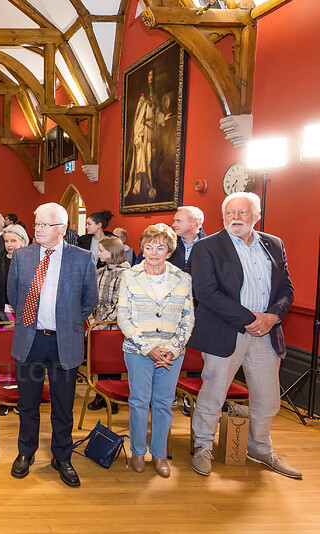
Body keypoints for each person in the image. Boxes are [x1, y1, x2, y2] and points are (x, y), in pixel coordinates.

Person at [189, 192, 301, 479]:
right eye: (230, 213)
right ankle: (202, 447)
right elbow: (205, 293)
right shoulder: (207, 247)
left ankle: (259, 447)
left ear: (257, 215)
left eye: (243, 213)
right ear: (222, 216)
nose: (236, 218)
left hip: (266, 333)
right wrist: (250, 319)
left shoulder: (273, 244)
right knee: (213, 394)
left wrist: (273, 316)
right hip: (226, 332)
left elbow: (286, 288)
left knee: (267, 398)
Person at [8, 202, 97, 487]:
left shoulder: (82, 258)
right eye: (36, 224)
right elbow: (13, 295)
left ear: (62, 229)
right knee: (28, 403)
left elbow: (89, 300)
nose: (37, 230)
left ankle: (63, 456)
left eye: (44, 225)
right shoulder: (22, 256)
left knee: (63, 405)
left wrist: (69, 323)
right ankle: (26, 453)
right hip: (30, 341)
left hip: (64, 343)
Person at [116, 224, 193, 478]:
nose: (153, 253)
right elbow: (123, 317)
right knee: (139, 402)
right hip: (138, 350)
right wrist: (148, 348)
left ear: (169, 251)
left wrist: (173, 348)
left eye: (160, 247)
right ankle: (138, 451)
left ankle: (159, 454)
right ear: (143, 249)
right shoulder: (130, 276)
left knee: (163, 403)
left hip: (171, 353)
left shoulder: (183, 278)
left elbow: (188, 318)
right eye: (149, 247)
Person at [85, 236, 131, 414]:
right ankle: (100, 395)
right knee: (101, 361)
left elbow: (122, 304)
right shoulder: (100, 272)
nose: (98, 253)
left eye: (101, 250)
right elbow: (91, 299)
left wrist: (102, 324)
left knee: (114, 362)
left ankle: (113, 398)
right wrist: (92, 322)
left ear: (111, 253)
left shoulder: (127, 274)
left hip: (115, 326)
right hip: (97, 324)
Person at [124, 68, 167, 204]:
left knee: (152, 160)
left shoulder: (154, 97)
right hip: (144, 134)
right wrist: (138, 136)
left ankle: (150, 186)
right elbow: (138, 119)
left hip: (152, 133)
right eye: (148, 75)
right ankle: (149, 186)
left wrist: (164, 118)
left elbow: (158, 114)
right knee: (145, 161)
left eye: (152, 75)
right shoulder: (143, 98)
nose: (150, 77)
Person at [0, 224, 29, 325]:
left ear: (22, 242)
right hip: (1, 316)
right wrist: (4, 320)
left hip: (25, 318)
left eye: (13, 241)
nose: (9, 244)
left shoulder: (31, 263)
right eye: (6, 241)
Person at [170, 206, 206, 272]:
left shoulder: (210, 247)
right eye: (174, 221)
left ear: (193, 222)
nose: (173, 225)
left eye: (178, 221)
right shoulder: (168, 243)